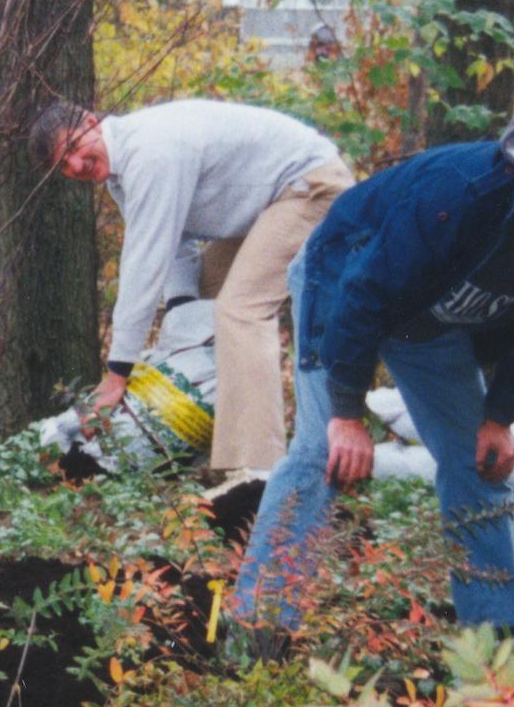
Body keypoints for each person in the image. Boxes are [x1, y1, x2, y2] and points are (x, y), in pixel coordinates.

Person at [229, 102, 514, 636]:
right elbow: (365, 290)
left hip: (430, 319)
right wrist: (346, 411)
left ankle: (499, 649)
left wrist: (499, 414)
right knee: (321, 453)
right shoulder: (463, 191)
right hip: (343, 278)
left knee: (480, 464)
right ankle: (260, 629)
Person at [30, 97, 355, 478]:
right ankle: (207, 448)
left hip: (311, 187)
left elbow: (144, 263)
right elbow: (174, 243)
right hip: (265, 205)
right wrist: (183, 307)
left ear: (90, 122)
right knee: (202, 303)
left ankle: (256, 472)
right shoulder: (122, 172)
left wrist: (117, 374)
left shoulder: (149, 151)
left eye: (71, 148)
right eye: (62, 167)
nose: (74, 166)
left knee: (240, 310)